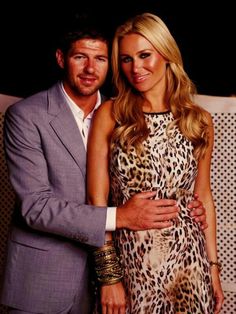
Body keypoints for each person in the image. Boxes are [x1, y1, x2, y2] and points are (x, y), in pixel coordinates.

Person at [0, 14, 207, 314]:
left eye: (99, 59)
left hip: (114, 277)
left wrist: (188, 205)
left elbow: (148, 182)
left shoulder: (122, 114)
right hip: (44, 278)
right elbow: (36, 207)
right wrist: (119, 217)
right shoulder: (26, 115)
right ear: (61, 58)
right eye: (80, 57)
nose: (89, 68)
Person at [87, 12, 224, 314]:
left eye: (144, 55)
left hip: (190, 266)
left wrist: (213, 267)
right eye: (125, 59)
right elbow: (96, 201)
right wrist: (109, 276)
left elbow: (203, 195)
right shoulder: (110, 115)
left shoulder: (198, 120)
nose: (136, 68)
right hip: (133, 267)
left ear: (166, 54)